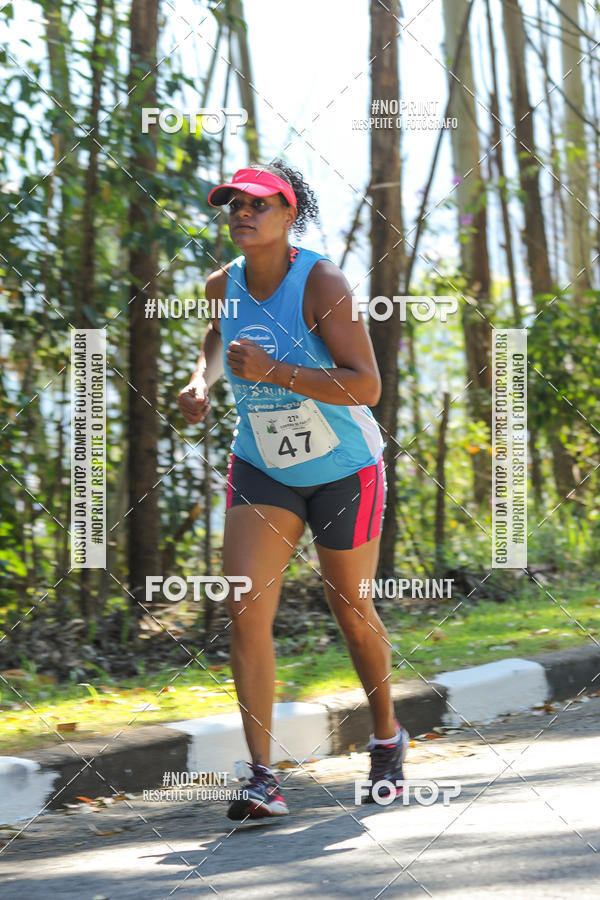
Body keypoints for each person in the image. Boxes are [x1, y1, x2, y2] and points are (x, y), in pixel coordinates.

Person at [177, 160, 408, 820]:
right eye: (232, 206)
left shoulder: (322, 281)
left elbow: (366, 386)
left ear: (289, 214)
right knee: (245, 608)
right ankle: (261, 776)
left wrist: (276, 371)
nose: (242, 214)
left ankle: (387, 740)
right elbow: (217, 338)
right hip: (263, 467)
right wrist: (202, 382)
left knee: (352, 613)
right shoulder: (223, 282)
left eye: (258, 204)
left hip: (344, 469)